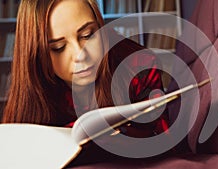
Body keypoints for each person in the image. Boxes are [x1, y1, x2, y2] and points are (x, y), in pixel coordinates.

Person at [2, 0, 169, 139]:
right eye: (58, 47)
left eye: (88, 35)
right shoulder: (33, 87)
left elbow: (162, 141)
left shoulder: (138, 65)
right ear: (37, 56)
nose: (80, 55)